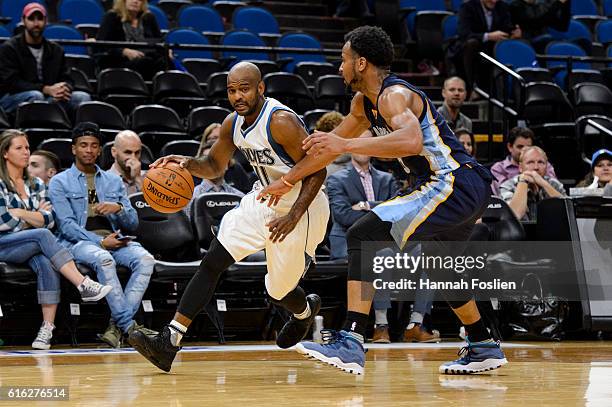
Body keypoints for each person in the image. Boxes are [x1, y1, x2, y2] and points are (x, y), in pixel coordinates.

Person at [258, 26, 506, 375]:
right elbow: (330, 148)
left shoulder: (394, 95)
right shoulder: (362, 104)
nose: (339, 66)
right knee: (443, 270)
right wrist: (287, 180)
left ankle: (352, 340)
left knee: (363, 234)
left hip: (451, 181)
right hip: (458, 186)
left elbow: (410, 141)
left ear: (361, 63)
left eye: (344, 59)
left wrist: (344, 145)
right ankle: (483, 345)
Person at [128, 62, 330, 372]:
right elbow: (214, 166)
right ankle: (169, 341)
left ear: (260, 88)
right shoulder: (232, 124)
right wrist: (184, 164)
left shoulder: (281, 122)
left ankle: (305, 312)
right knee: (213, 260)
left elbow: (319, 170)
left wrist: (293, 215)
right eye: (232, 90)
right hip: (263, 197)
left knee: (278, 290)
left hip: (304, 205)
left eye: (244, 89)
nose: (237, 96)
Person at [0, 129, 111, 350]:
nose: (26, 152)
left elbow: (50, 219)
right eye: (19, 148)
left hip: (27, 244)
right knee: (42, 236)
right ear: (5, 153)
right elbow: (3, 222)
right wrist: (33, 217)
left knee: (44, 259)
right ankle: (83, 283)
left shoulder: (37, 184)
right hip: (4, 244)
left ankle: (46, 329)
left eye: (27, 147)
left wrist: (20, 213)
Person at [48, 122, 156, 348]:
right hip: (79, 242)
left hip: (114, 237)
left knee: (146, 259)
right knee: (103, 259)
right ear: (73, 149)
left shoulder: (113, 181)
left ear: (100, 150)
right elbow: (66, 225)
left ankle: (115, 327)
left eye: (94, 146)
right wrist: (99, 241)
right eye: (83, 145)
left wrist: (119, 208)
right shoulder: (59, 182)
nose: (88, 150)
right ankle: (128, 326)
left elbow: (133, 223)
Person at [0, 3, 91, 114]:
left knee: (82, 97)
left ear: (46, 21)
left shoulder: (56, 50)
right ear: (23, 21)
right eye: (31, 19)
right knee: (35, 96)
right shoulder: (10, 48)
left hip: (49, 96)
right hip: (14, 97)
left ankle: (74, 130)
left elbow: (67, 77)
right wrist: (46, 89)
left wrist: (63, 89)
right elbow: (12, 83)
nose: (36, 23)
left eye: (40, 19)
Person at [453, 0, 520, 95]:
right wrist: (488, 36)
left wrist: (513, 34)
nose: (493, 1)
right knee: (472, 43)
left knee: (513, 45)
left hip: (492, 47)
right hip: (470, 48)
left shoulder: (502, 7)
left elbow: (507, 28)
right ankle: (472, 88)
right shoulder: (467, 7)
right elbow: (464, 34)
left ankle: (511, 92)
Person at [96, 0, 167, 80]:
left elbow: (159, 41)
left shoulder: (148, 18)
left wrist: (166, 50)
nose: (135, 1)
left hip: (146, 56)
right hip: (119, 60)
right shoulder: (112, 17)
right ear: (123, 1)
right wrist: (123, 51)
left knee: (164, 61)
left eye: (140, 0)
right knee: (146, 62)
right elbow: (101, 45)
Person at [499, 146, 565, 221]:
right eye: (530, 162)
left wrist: (543, 183)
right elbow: (515, 215)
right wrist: (523, 181)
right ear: (520, 167)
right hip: (521, 231)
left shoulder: (553, 184)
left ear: (546, 166)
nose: (536, 167)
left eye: (541, 162)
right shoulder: (508, 186)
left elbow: (567, 212)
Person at [184, 140, 245, 220]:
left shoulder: (241, 197)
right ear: (200, 166)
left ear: (227, 164)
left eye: (218, 160)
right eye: (206, 161)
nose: (212, 165)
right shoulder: (190, 198)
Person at [490, 126, 556, 195]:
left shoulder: (544, 165)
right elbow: (503, 193)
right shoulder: (499, 169)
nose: (524, 150)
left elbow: (554, 189)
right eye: (520, 147)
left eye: (528, 147)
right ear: (510, 147)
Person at [108, 130, 145, 195]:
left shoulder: (150, 179)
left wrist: (138, 180)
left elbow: (153, 204)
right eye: (128, 152)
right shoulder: (103, 180)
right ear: (114, 152)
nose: (133, 158)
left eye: (137, 153)